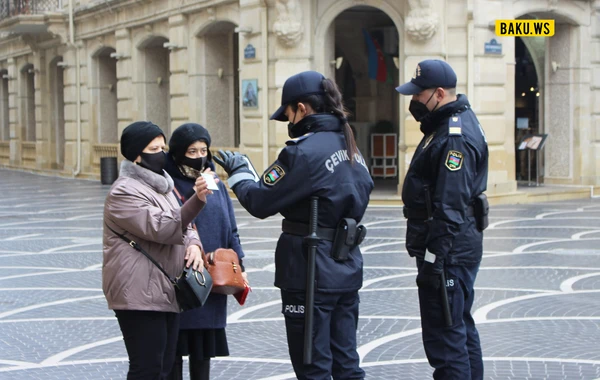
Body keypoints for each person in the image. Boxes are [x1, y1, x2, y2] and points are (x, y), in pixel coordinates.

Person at [214, 71, 374, 380]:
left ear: (301, 108)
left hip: (310, 271)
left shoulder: (301, 152)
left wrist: (240, 173)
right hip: (346, 266)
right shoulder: (351, 145)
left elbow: (260, 202)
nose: (288, 120)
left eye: (288, 113)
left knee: (311, 364)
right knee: (346, 363)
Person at [396, 59, 488, 379]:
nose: (414, 102)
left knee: (446, 340)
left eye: (418, 95)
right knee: (458, 327)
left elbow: (449, 207)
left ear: (438, 94)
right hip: (455, 247)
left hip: (448, 251)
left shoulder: (454, 136)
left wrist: (435, 261)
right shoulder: (446, 124)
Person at [103, 121, 210, 380]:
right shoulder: (123, 192)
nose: (162, 153)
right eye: (154, 148)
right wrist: (198, 199)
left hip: (164, 287)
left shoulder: (163, 185)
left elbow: (186, 225)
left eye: (163, 147)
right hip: (137, 291)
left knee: (163, 367)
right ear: (137, 155)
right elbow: (162, 227)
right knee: (147, 368)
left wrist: (194, 244)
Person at [164, 123, 248, 380]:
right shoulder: (167, 184)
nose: (199, 156)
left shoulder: (217, 185)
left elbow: (231, 229)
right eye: (192, 151)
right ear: (178, 153)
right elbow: (167, 224)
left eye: (203, 149)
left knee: (203, 356)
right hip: (180, 279)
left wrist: (240, 267)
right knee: (173, 354)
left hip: (213, 279)